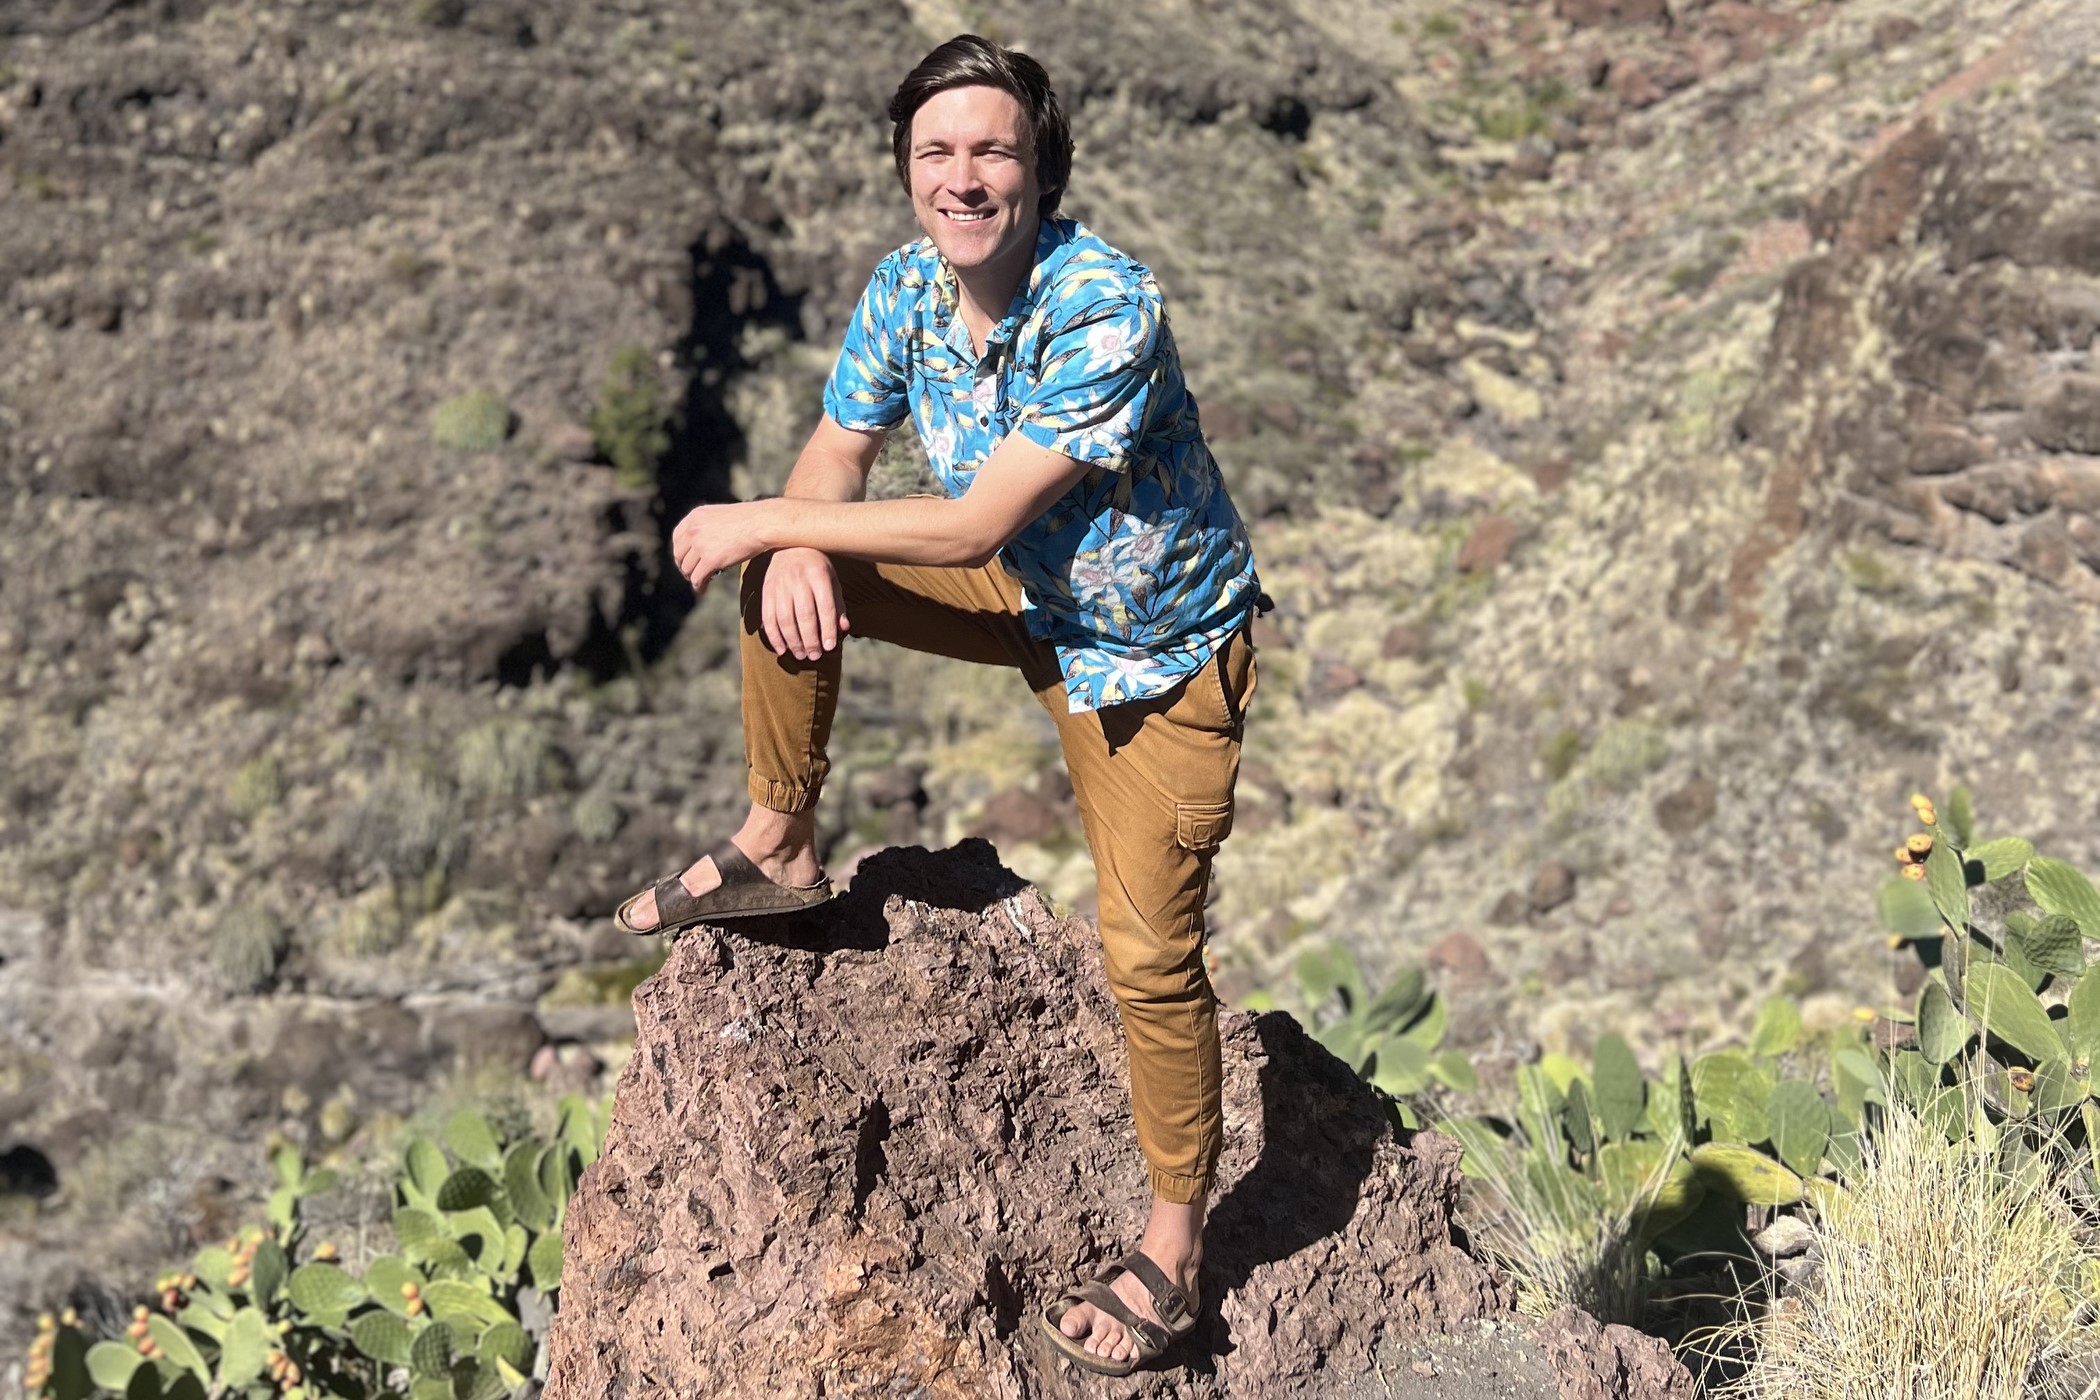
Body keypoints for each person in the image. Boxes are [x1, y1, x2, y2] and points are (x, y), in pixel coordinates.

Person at [614, 34, 1260, 1377]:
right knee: (793, 572)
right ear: (907, 173)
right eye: (937, 154)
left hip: (1152, 659)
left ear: (1040, 167)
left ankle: (1175, 1251)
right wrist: (801, 537)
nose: (963, 179)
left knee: (1146, 954)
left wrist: (759, 519)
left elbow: (969, 524)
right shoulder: (907, 290)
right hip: (1029, 597)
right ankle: (778, 839)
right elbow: (840, 447)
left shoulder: (1102, 306)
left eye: (993, 151)